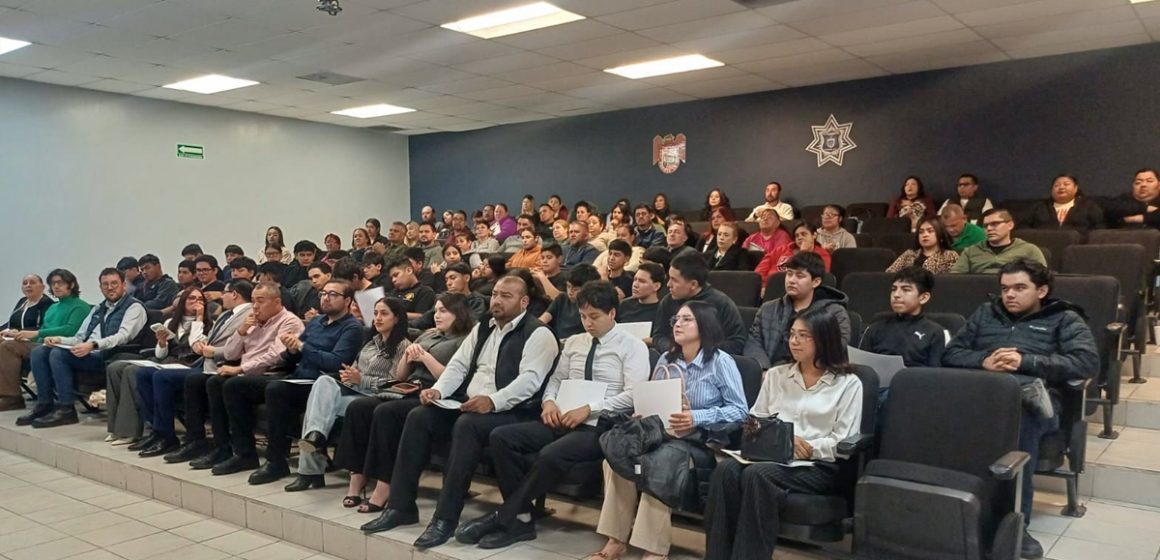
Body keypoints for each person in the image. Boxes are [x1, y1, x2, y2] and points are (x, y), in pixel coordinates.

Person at [359, 275, 559, 550]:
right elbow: (458, 366)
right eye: (496, 293)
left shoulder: (539, 333)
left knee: (467, 425)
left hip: (514, 411)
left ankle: (445, 518)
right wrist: (439, 392)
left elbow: (530, 382)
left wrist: (491, 400)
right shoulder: (483, 328)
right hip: (472, 404)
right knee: (418, 416)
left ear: (524, 302)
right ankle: (401, 506)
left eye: (506, 296)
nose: (497, 300)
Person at [460, 282, 650, 549]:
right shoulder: (574, 342)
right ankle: (522, 518)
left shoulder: (632, 346)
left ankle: (505, 516)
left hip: (602, 424)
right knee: (502, 437)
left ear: (612, 314)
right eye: (583, 316)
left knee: (551, 454)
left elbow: (632, 394)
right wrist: (549, 403)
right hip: (563, 415)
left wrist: (590, 408)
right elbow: (556, 380)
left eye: (594, 316)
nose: (588, 323)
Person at [942, 259, 1098, 559]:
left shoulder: (1064, 318)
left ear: (1042, 290)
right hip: (981, 394)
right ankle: (945, 506)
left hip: (1035, 403)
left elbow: (1087, 363)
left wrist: (1026, 362)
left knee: (1019, 420)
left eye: (1019, 288)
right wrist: (983, 361)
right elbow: (951, 354)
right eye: (1004, 289)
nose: (1009, 295)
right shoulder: (987, 313)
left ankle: (1014, 521)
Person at [591, 301, 748, 560]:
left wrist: (696, 416)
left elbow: (740, 411)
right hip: (662, 435)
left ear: (705, 325)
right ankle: (616, 539)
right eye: (677, 319)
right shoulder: (666, 358)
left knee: (658, 463)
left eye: (687, 319)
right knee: (617, 457)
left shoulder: (721, 362)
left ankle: (654, 548)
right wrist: (644, 411)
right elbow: (655, 396)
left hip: (701, 442)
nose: (677, 324)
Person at [705, 308, 863, 560]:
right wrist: (774, 438)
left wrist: (810, 447)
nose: (794, 341)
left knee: (758, 475)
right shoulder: (777, 376)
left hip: (817, 466)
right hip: (771, 456)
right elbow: (755, 420)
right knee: (725, 470)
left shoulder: (847, 383)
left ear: (824, 339)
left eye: (804, 336)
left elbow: (844, 438)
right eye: (792, 335)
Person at [335, 293, 476, 509]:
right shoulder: (428, 334)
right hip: (408, 387)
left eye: (443, 311)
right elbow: (401, 375)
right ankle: (357, 478)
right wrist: (407, 357)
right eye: (436, 310)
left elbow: (454, 378)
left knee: (386, 413)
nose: (437, 315)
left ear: (459, 313)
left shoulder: (465, 340)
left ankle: (385, 484)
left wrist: (425, 358)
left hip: (437, 393)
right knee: (359, 407)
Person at [236, 280, 363, 484]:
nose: (325, 298)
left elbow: (337, 363)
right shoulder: (316, 322)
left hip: (321, 384)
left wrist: (302, 347)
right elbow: (293, 357)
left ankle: (276, 461)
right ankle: (242, 453)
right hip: (297, 377)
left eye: (333, 294)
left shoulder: (352, 328)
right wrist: (292, 350)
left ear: (347, 300)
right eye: (323, 293)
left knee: (276, 389)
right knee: (235, 386)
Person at [283, 297, 411, 492]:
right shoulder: (371, 341)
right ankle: (315, 437)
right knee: (324, 382)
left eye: (384, 314)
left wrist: (362, 380)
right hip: (354, 389)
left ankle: (310, 470)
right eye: (375, 313)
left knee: (319, 407)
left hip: (375, 398)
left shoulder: (404, 346)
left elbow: (397, 384)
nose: (377, 318)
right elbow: (354, 369)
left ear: (397, 318)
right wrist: (348, 375)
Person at [198, 282, 305, 474]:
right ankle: (223, 448)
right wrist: (240, 331)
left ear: (277, 302)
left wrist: (240, 369)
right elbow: (230, 354)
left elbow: (276, 355)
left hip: (276, 374)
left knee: (234, 385)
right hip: (250, 375)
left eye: (261, 301)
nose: (255, 306)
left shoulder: (290, 321)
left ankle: (246, 453)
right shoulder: (252, 321)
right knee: (214, 382)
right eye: (253, 301)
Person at [19, 268, 147, 428]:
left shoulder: (134, 307)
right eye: (105, 284)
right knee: (41, 351)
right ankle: (44, 404)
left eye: (114, 283)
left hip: (110, 355)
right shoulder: (98, 309)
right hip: (88, 352)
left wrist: (93, 345)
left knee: (59, 354)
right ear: (100, 287)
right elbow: (79, 337)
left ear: (124, 285)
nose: (110, 287)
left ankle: (66, 409)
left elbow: (123, 336)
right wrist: (59, 339)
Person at [158, 280, 254, 464]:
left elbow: (242, 344)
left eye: (225, 292)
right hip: (209, 363)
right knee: (193, 381)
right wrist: (201, 344)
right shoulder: (228, 315)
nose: (221, 297)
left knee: (204, 381)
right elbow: (209, 341)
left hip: (228, 363)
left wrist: (213, 351)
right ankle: (195, 440)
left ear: (234, 294)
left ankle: (222, 447)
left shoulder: (248, 314)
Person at [124, 287, 214, 456]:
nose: (196, 302)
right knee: (142, 373)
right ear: (183, 302)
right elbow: (160, 355)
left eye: (200, 299)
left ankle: (167, 436)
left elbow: (197, 348)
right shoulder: (170, 322)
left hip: (193, 365)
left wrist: (199, 319)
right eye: (191, 299)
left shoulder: (209, 325)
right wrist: (162, 343)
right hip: (171, 363)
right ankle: (156, 431)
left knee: (160, 377)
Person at [745, 252, 850, 369]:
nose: (791, 280)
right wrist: (764, 371)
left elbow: (834, 349)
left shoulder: (835, 313)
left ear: (816, 282)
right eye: (789, 274)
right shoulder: (768, 309)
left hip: (814, 375)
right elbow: (754, 343)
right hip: (769, 375)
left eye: (800, 276)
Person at [651, 254, 746, 354]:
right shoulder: (667, 301)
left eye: (674, 280)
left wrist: (697, 351)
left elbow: (736, 343)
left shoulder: (722, 303)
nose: (668, 284)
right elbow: (658, 336)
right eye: (669, 278)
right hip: (674, 358)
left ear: (693, 284)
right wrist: (674, 349)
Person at [859, 267, 946, 367]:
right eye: (893, 289)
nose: (896, 295)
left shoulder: (934, 332)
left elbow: (936, 375)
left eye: (906, 289)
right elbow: (863, 369)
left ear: (923, 297)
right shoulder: (875, 329)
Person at [0, 274, 55, 411]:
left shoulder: (47, 304)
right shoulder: (22, 302)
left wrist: (18, 332)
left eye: (32, 282)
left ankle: (11, 397)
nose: (28, 285)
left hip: (34, 341)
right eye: (25, 283)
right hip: (16, 338)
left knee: (6, 347)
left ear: (42, 287)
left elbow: (44, 327)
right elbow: (11, 323)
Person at [952, 209, 1047, 273]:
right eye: (985, 226)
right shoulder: (970, 251)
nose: (989, 229)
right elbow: (955, 279)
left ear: (1010, 225)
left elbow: (1042, 279)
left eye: (995, 224)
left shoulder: (1029, 250)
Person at [754, 222, 832, 284]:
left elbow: (816, 276)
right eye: (797, 236)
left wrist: (803, 252)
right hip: (771, 286)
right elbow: (760, 270)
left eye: (803, 234)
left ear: (814, 235)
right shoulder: (781, 249)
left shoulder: (822, 254)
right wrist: (763, 286)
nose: (800, 237)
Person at [1025, 174, 1106, 234]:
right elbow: (1024, 227)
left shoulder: (1089, 206)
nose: (1061, 187)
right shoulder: (1039, 207)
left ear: (1076, 188)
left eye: (1066, 184)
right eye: (1057, 185)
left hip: (1077, 247)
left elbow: (1099, 229)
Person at [541, 265, 601, 339]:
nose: (570, 292)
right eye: (568, 286)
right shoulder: (562, 298)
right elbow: (543, 320)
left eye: (575, 289)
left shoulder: (593, 306)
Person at [886, 217, 960, 274]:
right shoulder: (910, 254)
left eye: (930, 231)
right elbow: (889, 273)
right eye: (921, 232)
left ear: (940, 234)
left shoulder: (950, 256)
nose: (925, 235)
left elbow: (953, 281)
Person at [617, 262, 664, 327]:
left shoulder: (663, 311)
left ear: (656, 286)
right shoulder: (623, 305)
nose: (635, 285)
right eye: (635, 279)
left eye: (642, 281)